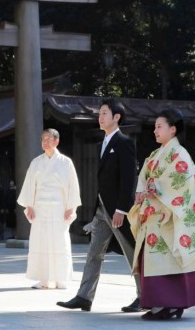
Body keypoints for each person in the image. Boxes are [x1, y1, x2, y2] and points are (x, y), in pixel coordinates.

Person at [127, 108, 195, 320]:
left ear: (173, 129)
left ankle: (171, 304)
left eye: (159, 126)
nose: (155, 131)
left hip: (170, 214)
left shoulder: (180, 154)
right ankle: (161, 303)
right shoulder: (154, 155)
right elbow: (143, 178)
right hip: (154, 214)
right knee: (157, 259)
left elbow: (189, 182)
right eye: (155, 127)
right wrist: (142, 192)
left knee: (172, 257)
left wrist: (156, 187)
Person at [57, 99, 139, 312]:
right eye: (100, 113)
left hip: (118, 211)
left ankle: (145, 296)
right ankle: (84, 296)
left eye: (104, 113)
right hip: (102, 209)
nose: (100, 117)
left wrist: (122, 209)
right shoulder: (103, 142)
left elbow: (129, 178)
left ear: (116, 117)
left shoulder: (124, 142)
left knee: (132, 252)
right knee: (94, 252)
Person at [18, 128, 81, 290]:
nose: (44, 142)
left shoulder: (66, 162)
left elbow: (72, 186)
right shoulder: (36, 162)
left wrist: (71, 207)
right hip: (40, 208)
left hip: (59, 208)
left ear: (56, 141)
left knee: (60, 242)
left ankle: (61, 278)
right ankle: (43, 279)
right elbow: (30, 185)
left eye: (48, 138)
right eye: (42, 139)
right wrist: (29, 205)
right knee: (40, 242)